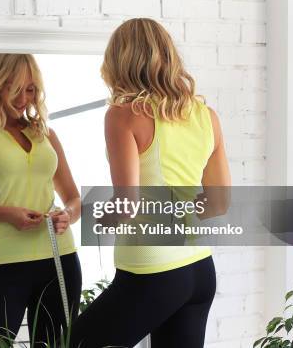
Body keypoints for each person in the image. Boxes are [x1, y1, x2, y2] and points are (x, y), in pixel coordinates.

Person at [70, 18, 231, 348]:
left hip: (154, 273)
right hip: (200, 270)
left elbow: (126, 206)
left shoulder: (123, 114)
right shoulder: (206, 115)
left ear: (119, 61)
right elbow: (219, 203)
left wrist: (98, 217)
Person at [0, 53, 83, 347]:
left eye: (31, 89)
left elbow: (74, 198)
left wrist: (67, 215)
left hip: (60, 256)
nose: (23, 98)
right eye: (15, 89)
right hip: (3, 262)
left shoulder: (45, 134)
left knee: (55, 344)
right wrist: (5, 214)